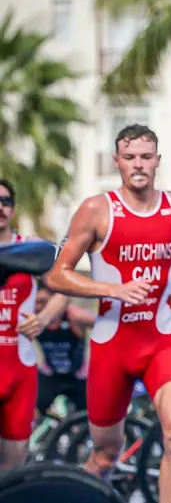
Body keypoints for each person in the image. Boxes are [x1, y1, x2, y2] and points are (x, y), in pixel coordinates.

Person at [45, 125, 171, 503]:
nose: (138, 164)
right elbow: (57, 275)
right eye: (130, 158)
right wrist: (112, 289)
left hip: (160, 341)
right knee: (105, 456)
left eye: (146, 156)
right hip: (112, 345)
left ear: (157, 160)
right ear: (117, 162)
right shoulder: (96, 210)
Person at [0, 179, 76, 469]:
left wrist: (43, 319)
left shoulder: (30, 249)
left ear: (14, 209)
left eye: (5, 201)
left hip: (19, 368)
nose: (0, 207)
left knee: (13, 466)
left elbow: (68, 286)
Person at [32, 281, 95, 415]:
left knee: (88, 414)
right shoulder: (33, 319)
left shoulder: (75, 316)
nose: (39, 307)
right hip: (50, 373)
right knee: (34, 407)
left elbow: (108, 325)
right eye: (35, 302)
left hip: (78, 375)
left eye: (43, 302)